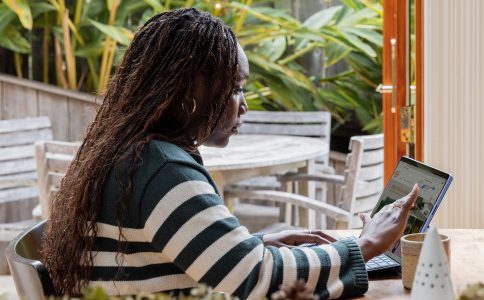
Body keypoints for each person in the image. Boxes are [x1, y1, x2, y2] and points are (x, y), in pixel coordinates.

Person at [41, 8, 420, 299]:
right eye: (236, 88)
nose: (244, 106)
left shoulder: (132, 153)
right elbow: (257, 280)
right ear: (191, 93)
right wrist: (365, 245)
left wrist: (253, 245)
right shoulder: (162, 171)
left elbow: (221, 262)